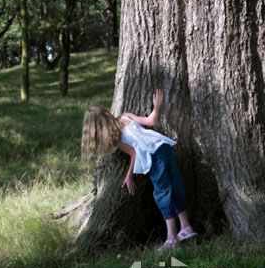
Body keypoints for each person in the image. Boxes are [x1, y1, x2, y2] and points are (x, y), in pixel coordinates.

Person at [81, 89, 197, 251]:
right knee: (173, 184)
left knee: (162, 191)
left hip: (155, 155)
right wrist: (129, 176)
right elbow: (145, 132)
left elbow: (141, 139)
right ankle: (185, 226)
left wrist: (157, 107)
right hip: (162, 147)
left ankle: (171, 238)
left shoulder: (119, 128)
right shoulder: (122, 121)